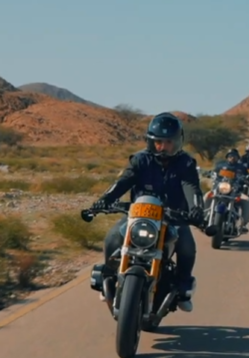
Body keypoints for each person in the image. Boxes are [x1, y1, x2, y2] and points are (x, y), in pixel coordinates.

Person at [83, 112, 206, 313]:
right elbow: (122, 182)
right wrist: (104, 201)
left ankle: (183, 288)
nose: (163, 147)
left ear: (177, 142)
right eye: (158, 142)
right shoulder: (140, 160)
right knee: (113, 237)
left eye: (168, 142)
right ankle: (109, 278)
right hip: (139, 215)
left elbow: (191, 188)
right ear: (150, 141)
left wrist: (196, 210)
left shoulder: (185, 163)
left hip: (173, 218)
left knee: (187, 247)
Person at [211, 148, 249, 234]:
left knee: (247, 200)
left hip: (236, 191)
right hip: (220, 189)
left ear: (238, 157)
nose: (232, 158)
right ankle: (203, 218)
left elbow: (247, 177)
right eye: (230, 156)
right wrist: (209, 174)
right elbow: (214, 174)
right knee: (207, 196)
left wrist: (248, 179)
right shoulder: (220, 166)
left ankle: (243, 224)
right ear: (227, 157)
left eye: (234, 156)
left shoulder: (242, 168)